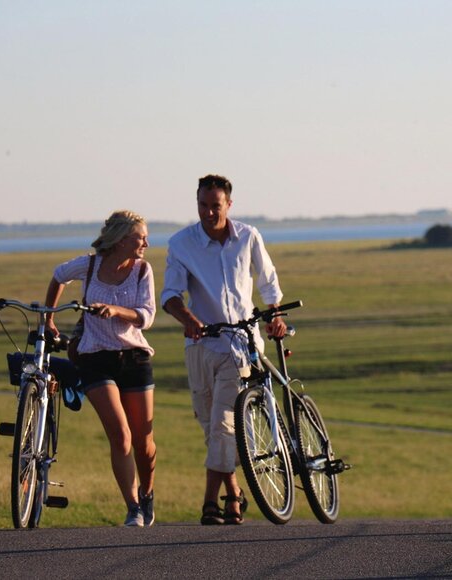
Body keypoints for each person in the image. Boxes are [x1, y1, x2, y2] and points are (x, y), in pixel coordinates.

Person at [161, 174, 287, 525]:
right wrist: (188, 319)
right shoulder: (181, 243)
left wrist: (275, 314)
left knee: (223, 424)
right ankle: (234, 492)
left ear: (229, 205)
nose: (208, 212)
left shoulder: (248, 236)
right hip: (200, 346)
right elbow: (170, 295)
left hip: (240, 346)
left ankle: (210, 503)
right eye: (202, 205)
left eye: (215, 206)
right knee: (210, 426)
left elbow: (268, 281)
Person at [44, 210, 157, 528]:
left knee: (143, 443)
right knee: (120, 436)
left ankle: (147, 493)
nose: (146, 243)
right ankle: (133, 507)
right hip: (95, 358)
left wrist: (116, 310)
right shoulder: (90, 265)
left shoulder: (142, 270)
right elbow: (58, 275)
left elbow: (147, 316)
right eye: (140, 238)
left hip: (134, 359)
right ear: (121, 240)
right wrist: (49, 318)